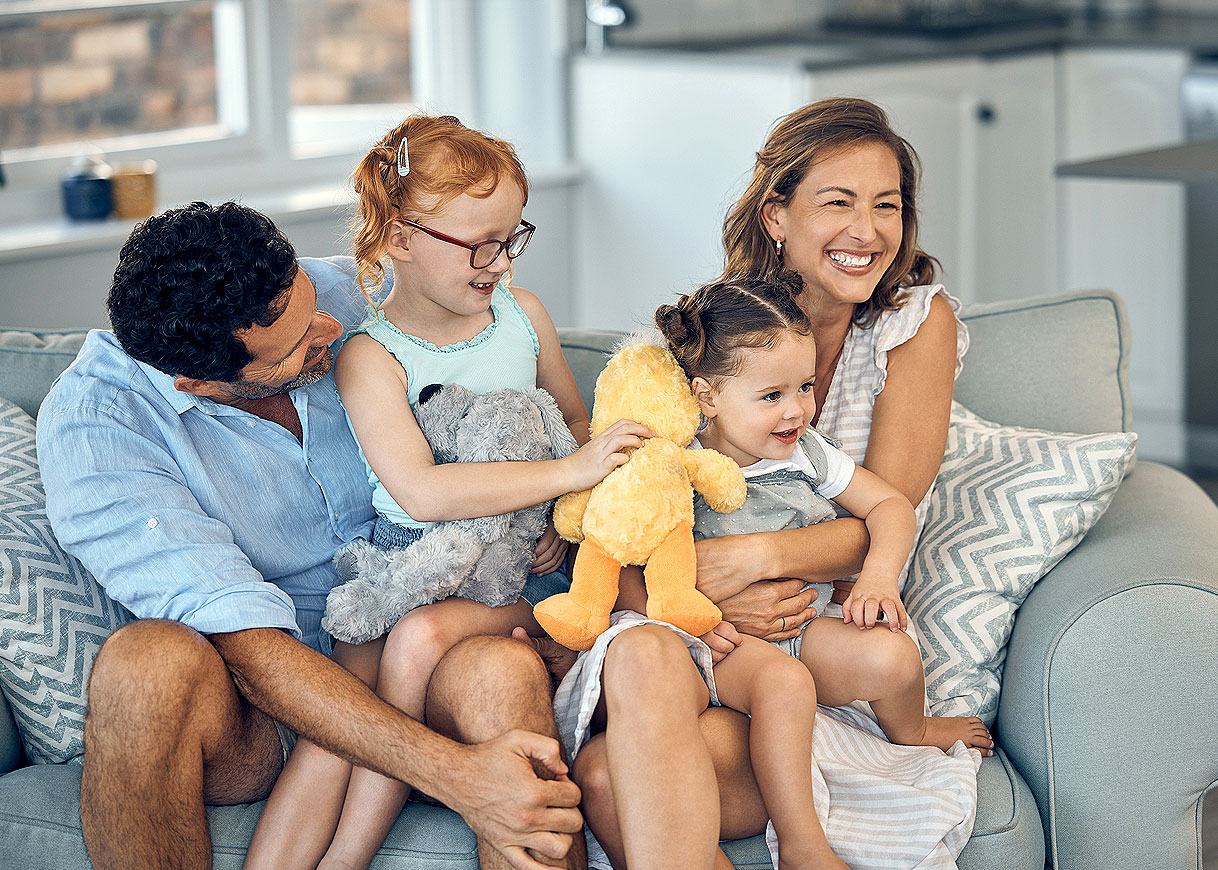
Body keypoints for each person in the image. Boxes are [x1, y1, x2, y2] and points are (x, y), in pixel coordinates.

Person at [36, 200, 587, 870]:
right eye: (295, 345)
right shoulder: (100, 423)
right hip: (272, 703)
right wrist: (459, 776)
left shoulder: (355, 293)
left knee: (498, 674)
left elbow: (520, 394)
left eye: (310, 301)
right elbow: (248, 649)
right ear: (202, 383)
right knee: (143, 665)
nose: (331, 324)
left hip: (428, 628)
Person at [558, 97, 994, 868]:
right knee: (600, 770)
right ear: (776, 215)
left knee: (606, 777)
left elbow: (881, 520)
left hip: (821, 639)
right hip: (703, 638)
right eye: (838, 203)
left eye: (886, 206)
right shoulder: (711, 339)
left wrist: (754, 559)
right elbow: (627, 516)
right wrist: (691, 592)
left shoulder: (914, 325)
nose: (867, 231)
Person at [244, 114, 648, 870]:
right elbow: (421, 492)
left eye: (512, 237)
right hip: (407, 563)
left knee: (421, 639)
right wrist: (568, 473)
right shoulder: (370, 357)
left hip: (517, 563)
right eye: (479, 244)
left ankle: (348, 858)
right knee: (337, 729)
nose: (499, 262)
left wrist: (568, 504)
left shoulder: (522, 318)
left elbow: (570, 419)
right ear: (400, 238)